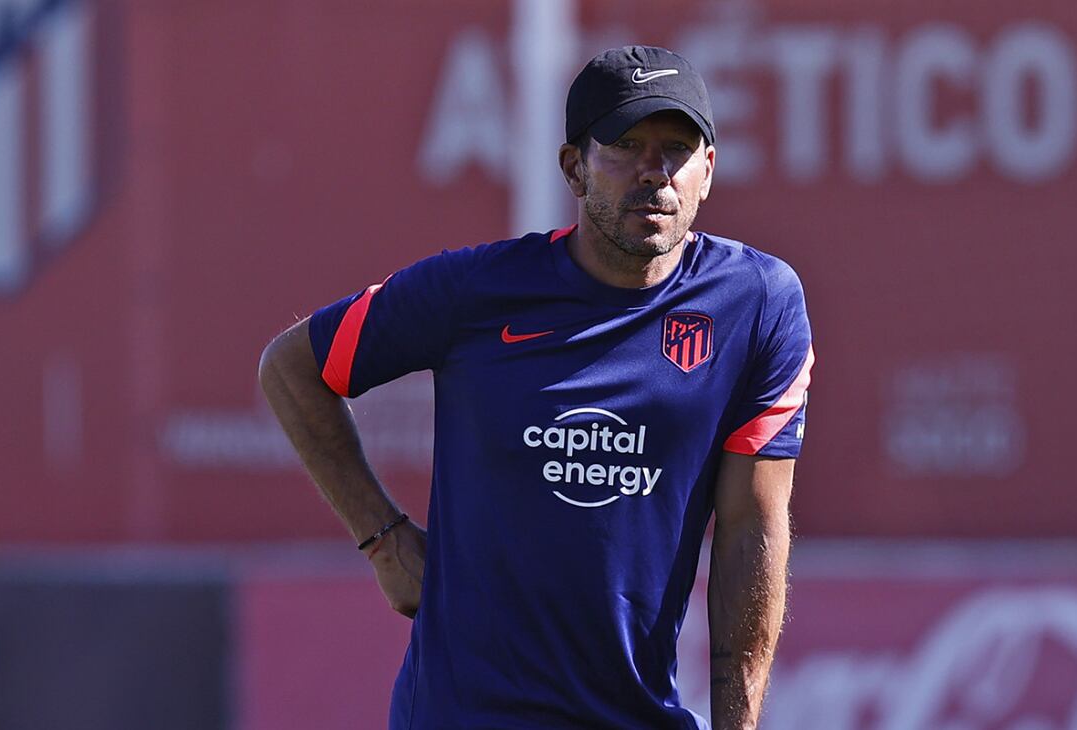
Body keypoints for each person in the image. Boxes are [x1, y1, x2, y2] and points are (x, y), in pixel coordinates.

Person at [260, 45, 813, 729]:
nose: (655, 171)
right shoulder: (476, 290)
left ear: (708, 170)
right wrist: (383, 539)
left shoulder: (756, 304)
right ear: (574, 168)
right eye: (626, 145)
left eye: (676, 148)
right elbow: (291, 369)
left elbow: (752, 526)